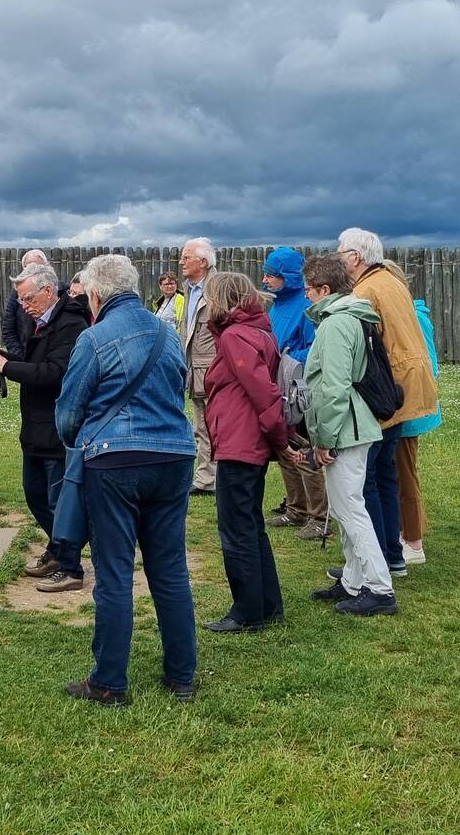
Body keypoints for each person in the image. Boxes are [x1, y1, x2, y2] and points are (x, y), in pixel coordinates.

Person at [55, 254, 198, 705]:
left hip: (115, 462)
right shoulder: (168, 334)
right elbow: (178, 388)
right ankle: (182, 676)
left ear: (95, 295)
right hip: (174, 456)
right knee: (170, 568)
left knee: (114, 573)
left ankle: (109, 682)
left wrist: (81, 437)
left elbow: (69, 412)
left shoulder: (93, 338)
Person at [0, 263, 92, 593]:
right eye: (20, 301)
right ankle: (58, 551)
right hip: (36, 427)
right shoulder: (40, 323)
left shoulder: (70, 323)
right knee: (36, 495)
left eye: (28, 299)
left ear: (48, 292)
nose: (23, 306)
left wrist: (8, 366)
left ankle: (71, 566)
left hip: (58, 426)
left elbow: (54, 373)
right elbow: (33, 364)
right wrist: (0, 356)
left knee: (60, 501)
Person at [337, 228, 440, 578]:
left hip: (384, 394)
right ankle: (393, 557)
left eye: (340, 253)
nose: (338, 259)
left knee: (369, 480)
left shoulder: (365, 289)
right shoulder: (391, 282)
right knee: (387, 476)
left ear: (355, 257)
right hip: (401, 389)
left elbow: (360, 348)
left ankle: (375, 560)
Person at [300, 253, 397, 616]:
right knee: (346, 509)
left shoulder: (337, 324)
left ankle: (380, 589)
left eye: (309, 289)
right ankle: (354, 582)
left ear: (324, 289)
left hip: (347, 430)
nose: (306, 295)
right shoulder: (346, 318)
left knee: (351, 510)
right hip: (353, 426)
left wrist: (324, 439)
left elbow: (334, 387)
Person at [198, 272, 288, 633]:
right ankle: (268, 604)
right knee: (251, 525)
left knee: (236, 529)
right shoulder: (259, 332)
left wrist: (280, 438)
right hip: (247, 441)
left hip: (240, 442)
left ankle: (247, 610)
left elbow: (262, 391)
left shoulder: (236, 336)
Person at [261, 247, 327, 539]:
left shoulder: (307, 305)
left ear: (287, 276)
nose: (265, 280)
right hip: (278, 386)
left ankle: (319, 517)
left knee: (304, 450)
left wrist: (287, 356)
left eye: (271, 275)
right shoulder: (277, 304)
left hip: (298, 388)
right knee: (284, 448)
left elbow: (315, 347)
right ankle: (297, 508)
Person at [391, 298, 442, 564]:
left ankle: (413, 541)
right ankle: (404, 532)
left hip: (408, 409)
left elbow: (423, 366)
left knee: (405, 476)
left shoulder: (413, 319)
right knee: (399, 474)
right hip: (405, 407)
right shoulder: (412, 316)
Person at [178, 237, 218, 495]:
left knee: (213, 425)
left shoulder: (217, 289)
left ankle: (210, 478)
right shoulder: (189, 290)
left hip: (211, 369)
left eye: (186, 257)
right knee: (200, 425)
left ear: (202, 262)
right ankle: (206, 476)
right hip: (193, 368)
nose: (181, 261)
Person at [0, 249, 50, 355]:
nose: (33, 272)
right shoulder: (16, 294)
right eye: (29, 268)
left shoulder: (58, 292)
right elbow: (8, 329)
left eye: (38, 267)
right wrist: (19, 357)